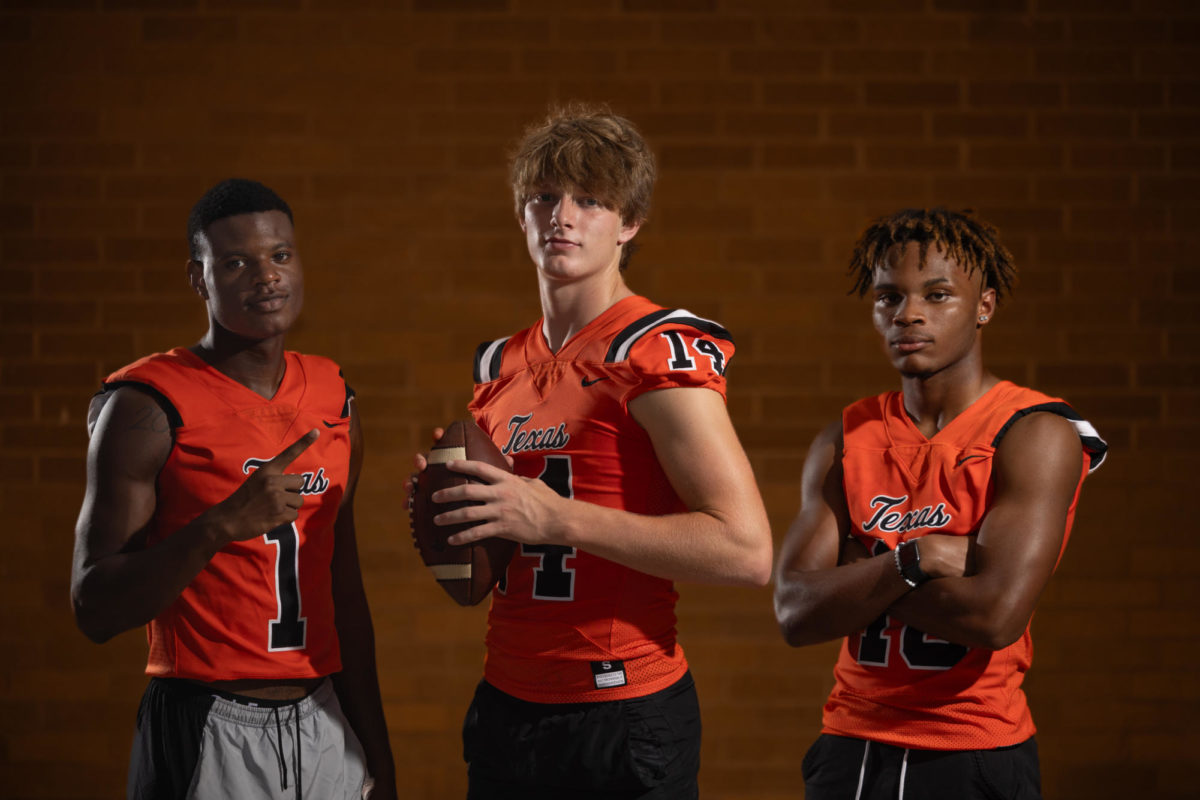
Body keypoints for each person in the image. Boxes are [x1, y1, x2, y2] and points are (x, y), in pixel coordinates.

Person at [411, 105, 773, 799]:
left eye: (590, 199)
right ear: (521, 214)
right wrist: (461, 513)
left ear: (629, 223)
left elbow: (746, 550)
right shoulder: (499, 365)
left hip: (621, 709)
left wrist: (556, 519)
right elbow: (504, 543)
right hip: (507, 700)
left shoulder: (652, 348)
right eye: (544, 197)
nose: (563, 216)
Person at [71, 178, 396, 799]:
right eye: (235, 262)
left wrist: (378, 755)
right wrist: (217, 526)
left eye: (280, 255)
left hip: (323, 719)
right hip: (207, 720)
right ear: (199, 277)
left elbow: (343, 589)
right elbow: (93, 608)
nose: (266, 276)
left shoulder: (335, 394)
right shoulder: (145, 404)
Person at [773, 207, 1108, 800]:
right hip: (850, 748)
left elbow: (993, 617)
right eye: (888, 298)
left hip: (972, 749)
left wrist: (859, 574)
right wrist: (916, 558)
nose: (909, 314)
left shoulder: (1033, 432)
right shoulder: (845, 438)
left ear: (984, 306)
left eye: (937, 294)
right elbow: (796, 613)